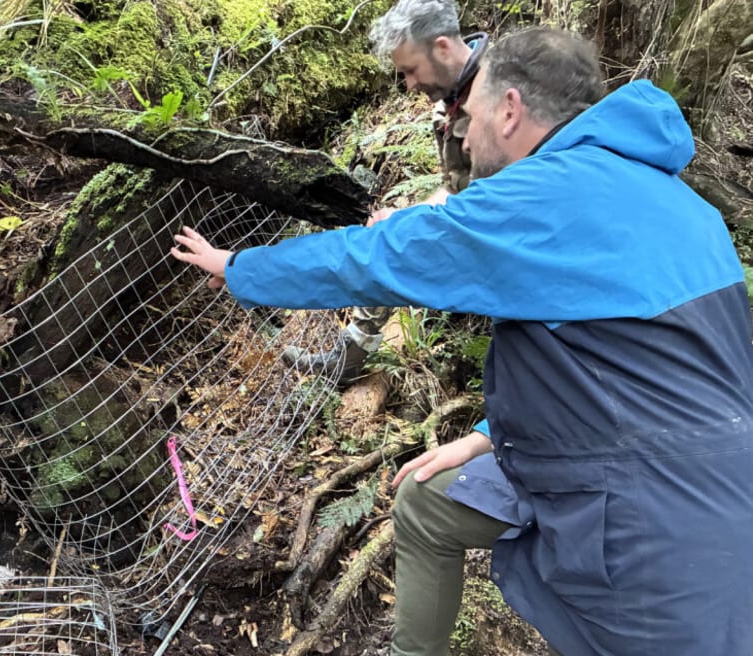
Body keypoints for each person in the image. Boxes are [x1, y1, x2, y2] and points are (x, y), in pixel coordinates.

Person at [171, 26, 753, 656]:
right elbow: (616, 354)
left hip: (655, 526)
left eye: (470, 119)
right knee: (427, 502)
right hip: (692, 477)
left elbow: (375, 258)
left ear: (509, 110)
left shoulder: (538, 198)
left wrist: (238, 268)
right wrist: (487, 434)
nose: (465, 138)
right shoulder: (683, 205)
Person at [285, 0, 489, 383]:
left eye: (411, 70)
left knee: (394, 243)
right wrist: (405, 218)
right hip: (474, 225)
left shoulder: (500, 94)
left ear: (442, 47)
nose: (409, 85)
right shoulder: (449, 102)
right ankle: (354, 351)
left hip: (512, 243)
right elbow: (455, 187)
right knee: (389, 230)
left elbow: (503, 197)